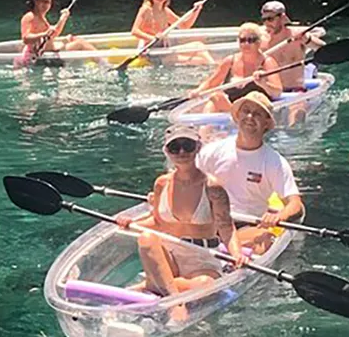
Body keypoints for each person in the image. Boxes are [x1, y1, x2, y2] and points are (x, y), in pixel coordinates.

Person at [115, 124, 249, 320]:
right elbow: (158, 222)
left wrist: (237, 254)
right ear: (166, 151)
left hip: (201, 256)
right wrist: (129, 223)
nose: (182, 152)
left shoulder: (213, 187)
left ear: (198, 147)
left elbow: (226, 228)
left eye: (187, 145)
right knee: (146, 238)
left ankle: (154, 286)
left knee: (204, 284)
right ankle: (175, 300)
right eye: (174, 147)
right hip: (169, 254)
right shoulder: (162, 183)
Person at [196, 92, 305, 253]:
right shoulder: (212, 151)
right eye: (245, 111)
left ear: (267, 123)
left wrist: (279, 216)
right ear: (237, 117)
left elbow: (296, 205)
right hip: (208, 222)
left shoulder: (275, 162)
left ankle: (229, 259)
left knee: (263, 240)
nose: (249, 116)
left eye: (257, 114)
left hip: (245, 225)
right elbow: (185, 179)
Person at [191, 22, 281, 114]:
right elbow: (211, 83)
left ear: (259, 42)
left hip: (254, 113)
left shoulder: (267, 62)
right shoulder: (229, 61)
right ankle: (203, 127)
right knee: (215, 98)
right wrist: (198, 91)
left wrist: (264, 83)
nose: (246, 44)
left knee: (216, 98)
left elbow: (277, 92)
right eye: (242, 40)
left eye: (251, 40)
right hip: (231, 110)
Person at [129, 0, 213, 65]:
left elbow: (185, 26)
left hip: (164, 49)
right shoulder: (146, 9)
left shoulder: (165, 11)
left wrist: (197, 10)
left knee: (199, 45)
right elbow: (134, 31)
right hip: (150, 52)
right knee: (201, 61)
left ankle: (214, 66)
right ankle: (215, 68)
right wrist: (153, 38)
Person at [16, 0, 96, 67]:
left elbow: (52, 35)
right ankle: (104, 65)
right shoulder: (30, 17)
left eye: (48, 2)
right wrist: (44, 34)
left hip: (50, 53)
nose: (46, 5)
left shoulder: (42, 17)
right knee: (80, 44)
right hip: (43, 58)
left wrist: (63, 19)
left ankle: (101, 63)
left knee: (73, 39)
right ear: (35, 1)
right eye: (43, 2)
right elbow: (26, 38)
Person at [259, 0, 325, 92]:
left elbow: (323, 49)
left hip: (295, 90)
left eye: (270, 19)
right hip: (270, 91)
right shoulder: (260, 39)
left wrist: (307, 39)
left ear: (282, 17)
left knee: (297, 106)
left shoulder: (297, 35)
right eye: (264, 19)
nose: (266, 23)